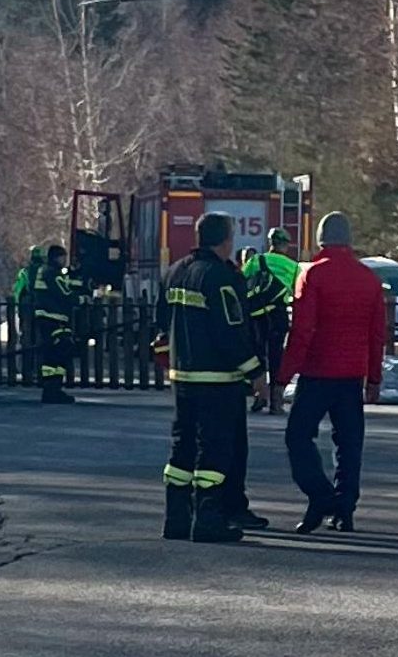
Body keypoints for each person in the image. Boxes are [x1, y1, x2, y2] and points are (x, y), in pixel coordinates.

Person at [156, 213, 270, 543]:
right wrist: (256, 374)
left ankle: (176, 519)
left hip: (182, 378)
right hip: (218, 380)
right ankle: (208, 519)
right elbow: (231, 331)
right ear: (225, 240)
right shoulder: (221, 277)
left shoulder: (175, 272)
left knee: (182, 448)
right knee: (214, 451)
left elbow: (162, 323)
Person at [275, 212, 385, 534]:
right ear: (349, 240)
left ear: (321, 240)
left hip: (318, 372)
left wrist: (283, 376)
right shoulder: (368, 279)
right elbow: (377, 334)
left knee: (298, 436)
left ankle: (320, 495)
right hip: (352, 375)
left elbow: (302, 332)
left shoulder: (312, 276)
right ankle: (344, 508)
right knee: (349, 443)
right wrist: (374, 378)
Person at [243, 228, 299, 415]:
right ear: (286, 245)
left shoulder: (256, 261)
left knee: (257, 354)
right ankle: (276, 401)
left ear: (270, 243)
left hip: (256, 314)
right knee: (277, 356)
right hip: (278, 315)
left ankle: (260, 394)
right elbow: (297, 292)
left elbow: (242, 282)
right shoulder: (293, 267)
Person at [34, 245, 77, 405]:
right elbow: (64, 294)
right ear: (55, 258)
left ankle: (51, 388)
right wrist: (81, 299)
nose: (64, 261)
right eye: (62, 257)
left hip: (48, 318)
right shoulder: (52, 273)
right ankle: (53, 388)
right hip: (53, 318)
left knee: (54, 352)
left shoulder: (46, 272)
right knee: (61, 349)